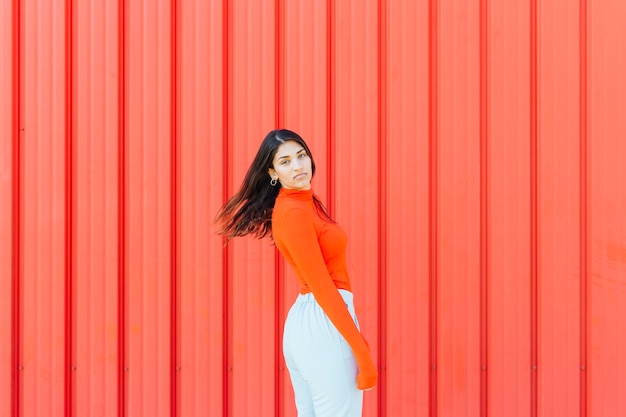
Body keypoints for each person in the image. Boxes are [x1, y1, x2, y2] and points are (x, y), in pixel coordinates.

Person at [215, 129, 377, 416]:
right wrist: (361, 351)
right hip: (324, 322)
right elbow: (322, 286)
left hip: (312, 324)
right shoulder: (293, 212)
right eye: (286, 161)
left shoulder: (303, 204)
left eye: (301, 156)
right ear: (272, 171)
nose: (298, 166)